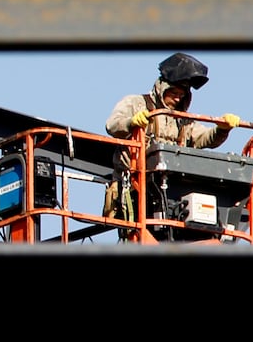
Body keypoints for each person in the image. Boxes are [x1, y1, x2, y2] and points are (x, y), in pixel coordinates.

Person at [101, 52, 242, 238]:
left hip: (169, 195)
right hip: (134, 191)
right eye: (174, 93)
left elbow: (204, 137)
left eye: (181, 95)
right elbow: (112, 125)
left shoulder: (183, 121)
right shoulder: (136, 103)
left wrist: (222, 129)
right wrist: (131, 123)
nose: (177, 98)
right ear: (162, 88)